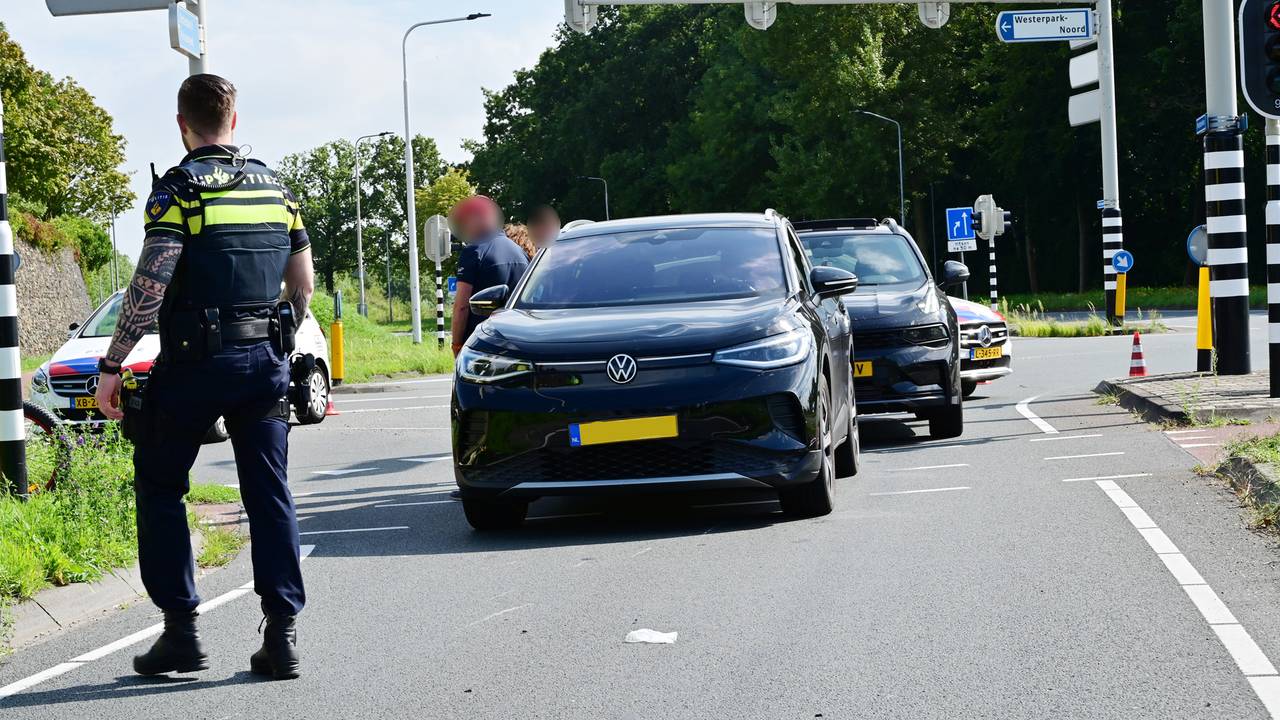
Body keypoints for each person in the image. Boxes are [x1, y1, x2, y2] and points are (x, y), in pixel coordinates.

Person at [94, 74, 313, 681]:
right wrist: (279, 331)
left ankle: (182, 632)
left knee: (162, 485)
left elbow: (151, 283)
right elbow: (303, 285)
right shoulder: (277, 189)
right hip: (264, 363)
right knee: (269, 496)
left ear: (182, 125)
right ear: (234, 121)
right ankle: (282, 637)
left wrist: (112, 364)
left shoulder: (177, 191)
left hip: (193, 364)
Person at [449, 196, 529, 357]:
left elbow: (461, 306)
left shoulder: (474, 252)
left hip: (483, 343)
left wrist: (457, 344)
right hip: (519, 340)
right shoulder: (519, 252)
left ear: (477, 220)